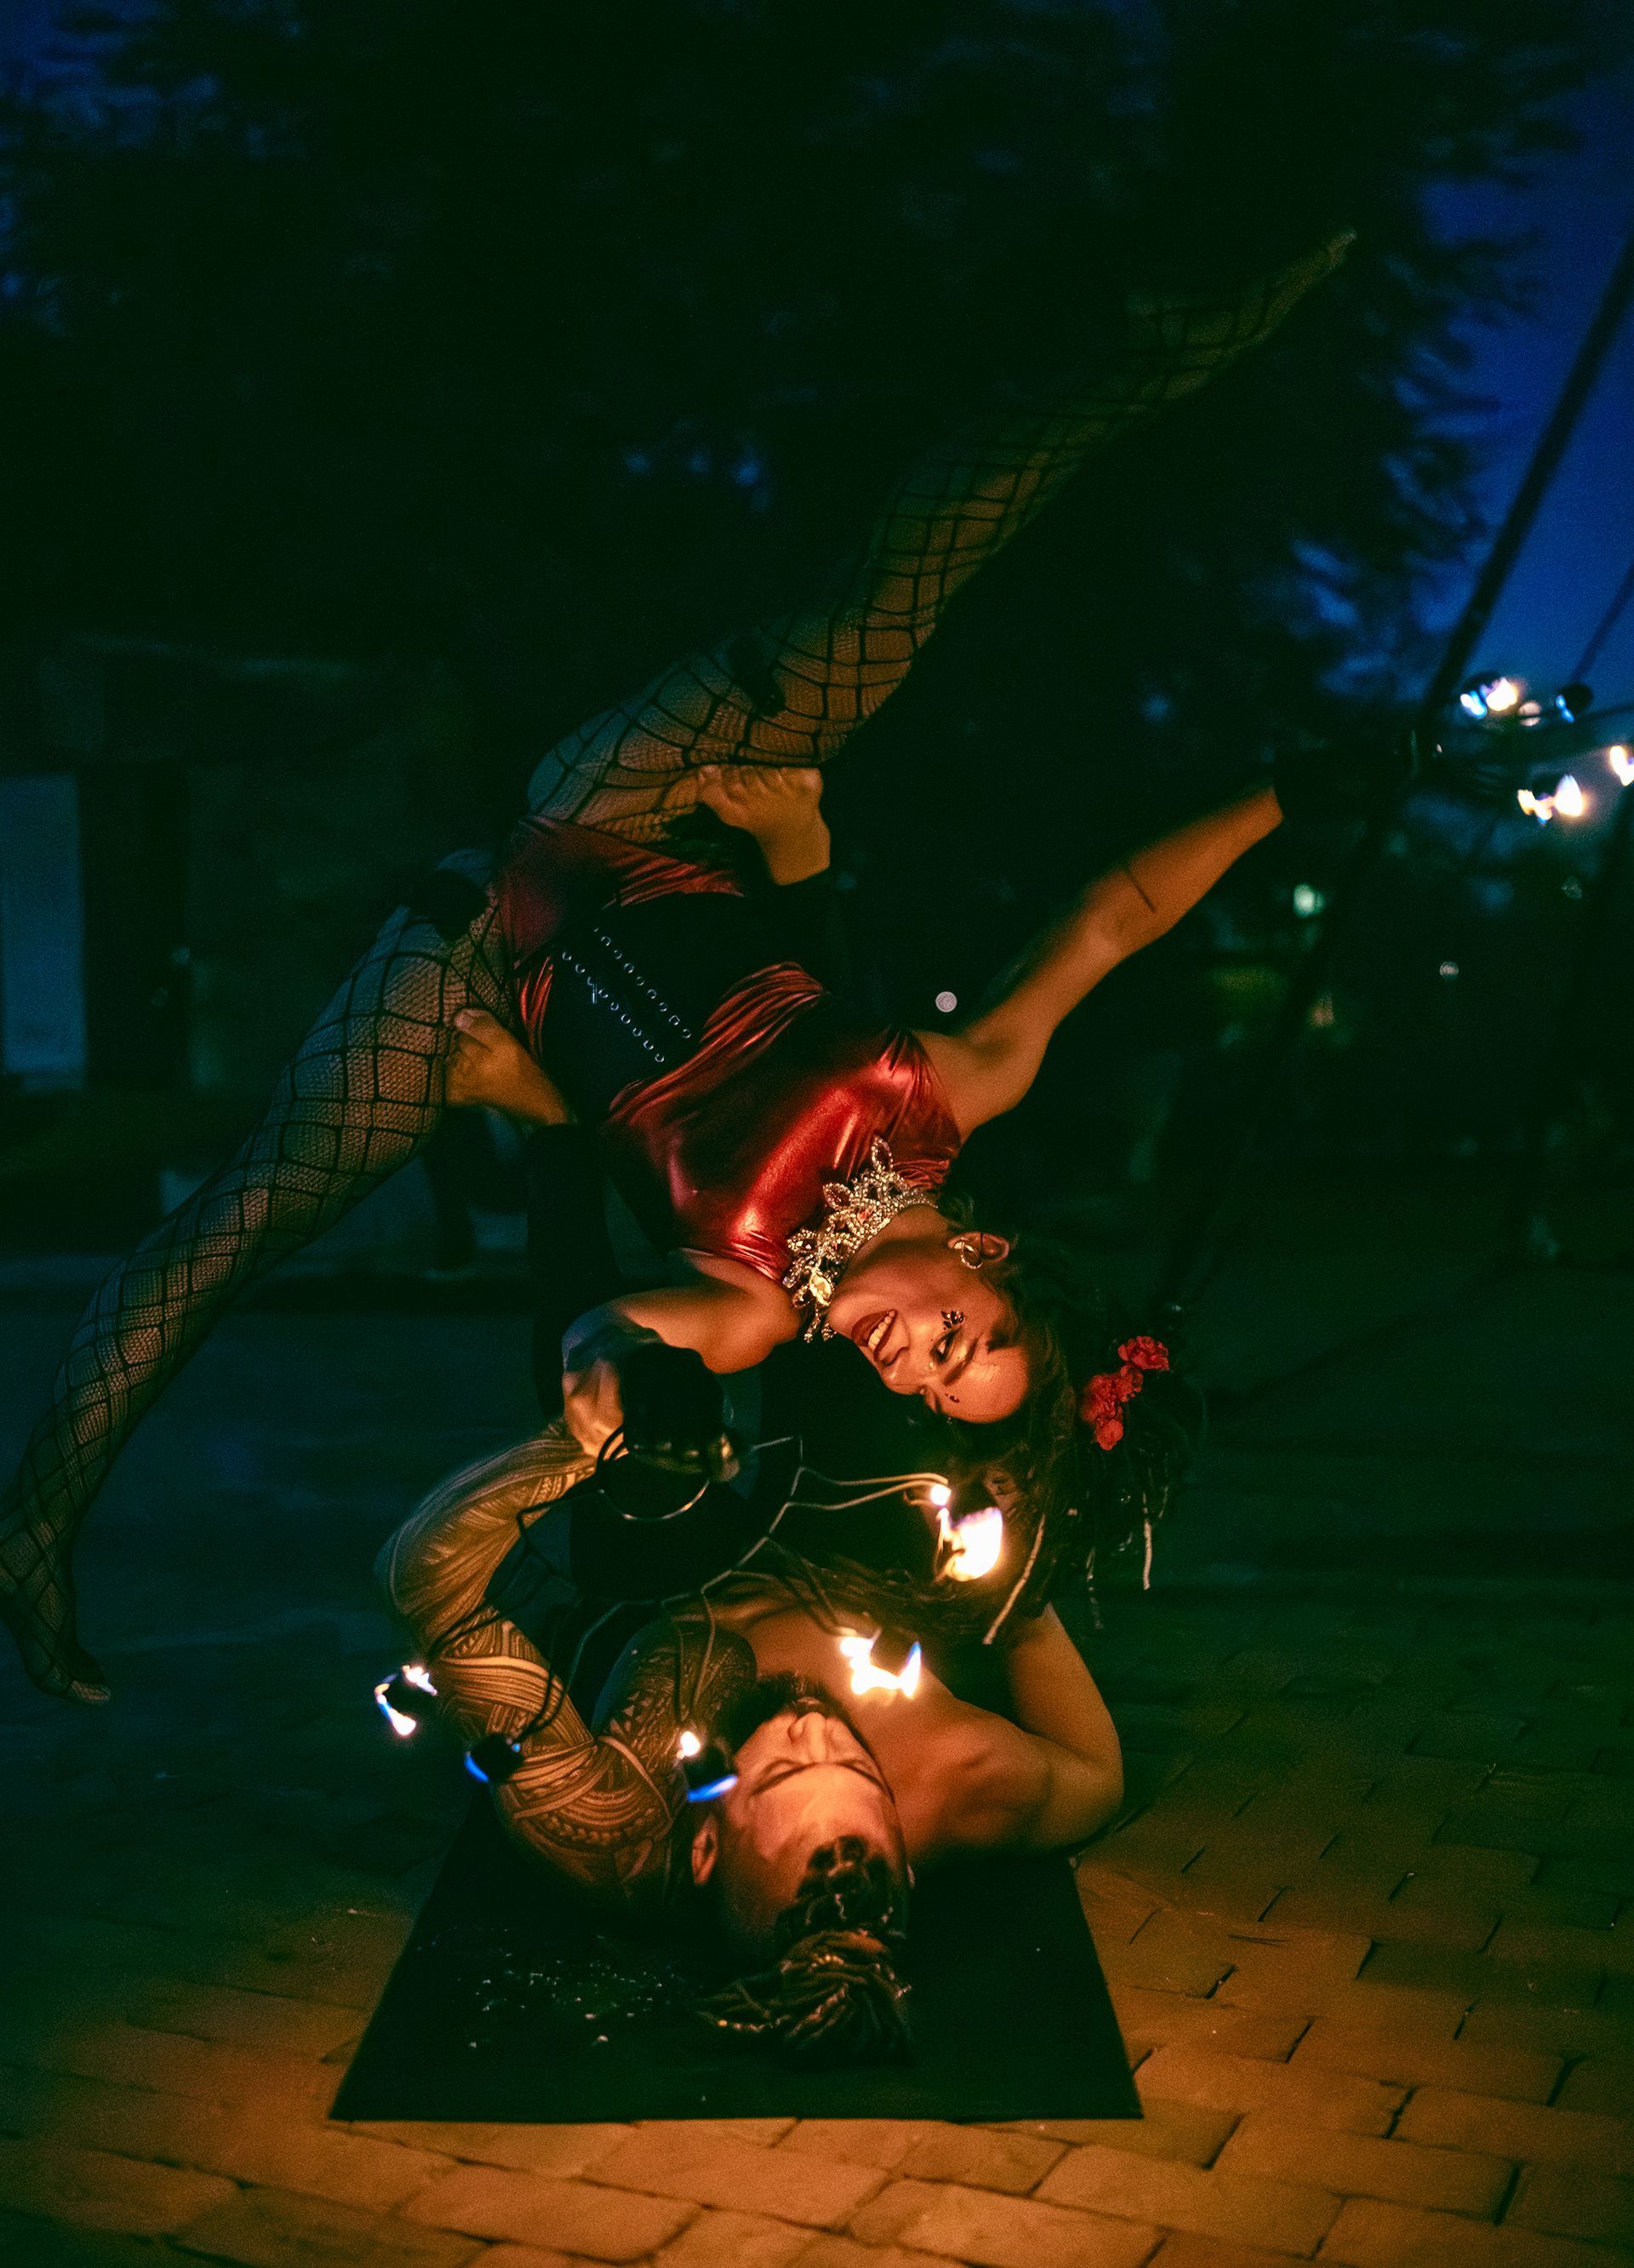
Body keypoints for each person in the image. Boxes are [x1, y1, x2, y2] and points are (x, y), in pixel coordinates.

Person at [2, 231, 1351, 1705]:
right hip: (637, 819)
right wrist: (1313, 788)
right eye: (957, 1344)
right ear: (984, 1256)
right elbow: (1119, 912)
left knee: (248, 1219)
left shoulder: (759, 1306)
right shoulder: (959, 1088)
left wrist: (638, 1395)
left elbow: (609, 1330)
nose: (908, 1363)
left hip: (460, 973)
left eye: (922, 1389)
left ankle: (30, 1530)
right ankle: (1137, 360)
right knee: (867, 631)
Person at [378, 1423, 1123, 2064]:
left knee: (624, 1370)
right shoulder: (962, 1774)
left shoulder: (613, 1828)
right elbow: (1098, 1776)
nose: (813, 1725)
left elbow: (423, 1578)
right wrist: (1021, 1595)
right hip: (850, 1546)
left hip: (651, 1568)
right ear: (903, 1834)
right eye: (859, 1766)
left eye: (784, 1771)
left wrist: (576, 1435)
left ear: (705, 1849)